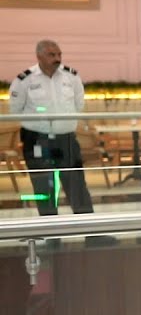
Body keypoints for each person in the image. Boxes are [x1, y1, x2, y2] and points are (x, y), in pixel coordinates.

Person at [8, 40, 95, 217]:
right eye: (51, 55)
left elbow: (79, 105)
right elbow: (15, 109)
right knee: (43, 185)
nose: (57, 58)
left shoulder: (71, 76)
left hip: (66, 138)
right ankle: (50, 230)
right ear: (39, 56)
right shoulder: (25, 79)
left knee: (76, 183)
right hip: (37, 139)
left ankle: (88, 228)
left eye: (59, 54)